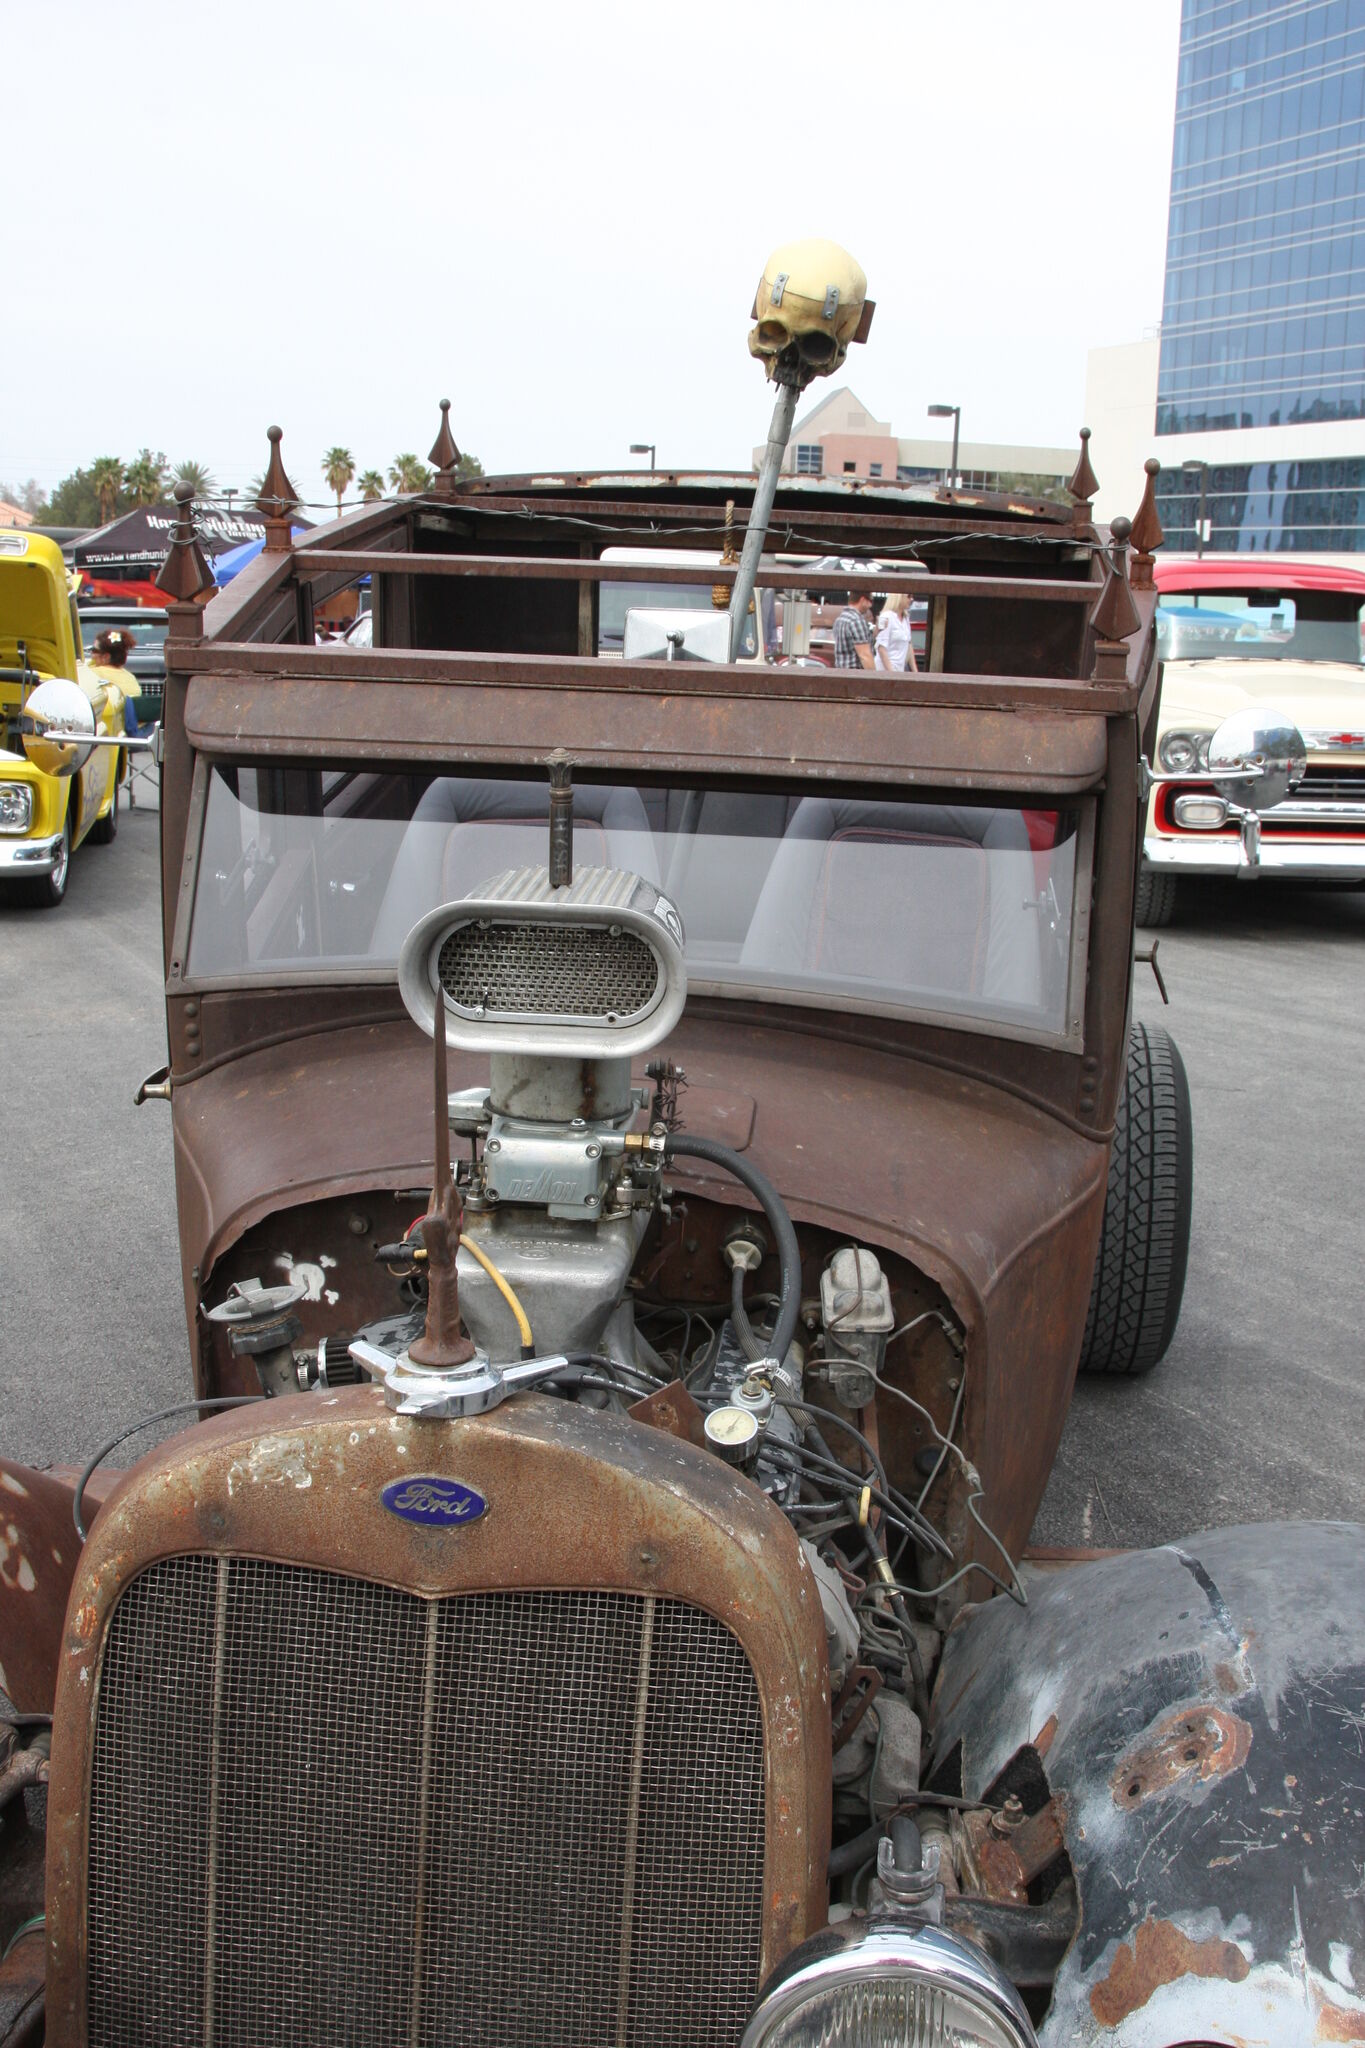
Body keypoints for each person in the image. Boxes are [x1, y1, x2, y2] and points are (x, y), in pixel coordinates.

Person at [875, 592, 919, 673]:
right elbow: (881, 648)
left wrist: (916, 672)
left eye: (912, 596)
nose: (911, 599)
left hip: (899, 670)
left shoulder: (906, 618)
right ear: (898, 597)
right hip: (885, 671)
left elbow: (909, 645)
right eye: (909, 596)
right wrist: (892, 674)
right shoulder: (886, 617)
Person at [832, 590, 875, 670]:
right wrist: (875, 679)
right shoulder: (856, 621)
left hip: (841, 674)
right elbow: (865, 656)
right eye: (870, 600)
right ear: (862, 600)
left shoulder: (840, 619)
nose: (871, 605)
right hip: (856, 676)